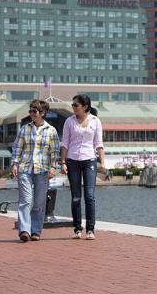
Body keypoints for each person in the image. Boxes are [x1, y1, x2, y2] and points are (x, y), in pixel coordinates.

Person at [11, 99, 60, 242]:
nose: (31, 113)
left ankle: (36, 231)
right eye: (30, 110)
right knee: (25, 200)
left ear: (42, 113)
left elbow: (55, 152)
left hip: (43, 170)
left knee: (39, 203)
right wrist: (14, 164)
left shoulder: (51, 130)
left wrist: (53, 167)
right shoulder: (25, 128)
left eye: (34, 111)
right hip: (25, 168)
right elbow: (17, 148)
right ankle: (24, 231)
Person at [60, 94, 105, 240]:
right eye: (72, 105)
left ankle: (90, 229)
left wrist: (103, 162)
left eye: (76, 105)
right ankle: (77, 228)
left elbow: (99, 143)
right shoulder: (69, 121)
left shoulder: (95, 121)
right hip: (72, 160)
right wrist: (63, 162)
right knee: (76, 197)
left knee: (90, 196)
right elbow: (65, 143)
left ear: (85, 106)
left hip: (89, 160)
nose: (73, 107)